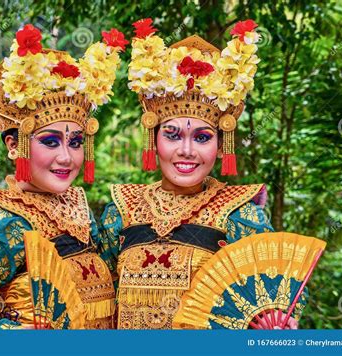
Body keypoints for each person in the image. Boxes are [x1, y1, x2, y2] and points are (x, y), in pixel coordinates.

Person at [99, 19, 301, 329]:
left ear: (222, 145)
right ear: (153, 139)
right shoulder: (122, 211)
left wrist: (276, 320)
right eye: (173, 135)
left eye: (202, 138)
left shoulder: (240, 214)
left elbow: (280, 292)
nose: (187, 151)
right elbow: (97, 299)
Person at [0, 24, 128, 329]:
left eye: (76, 142)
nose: (66, 157)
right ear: (14, 145)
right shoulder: (0, 219)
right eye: (51, 142)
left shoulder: (79, 209)